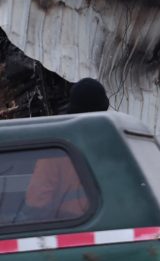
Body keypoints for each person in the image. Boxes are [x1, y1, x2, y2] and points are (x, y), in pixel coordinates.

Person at [23, 78, 109, 221]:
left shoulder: (58, 146)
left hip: (71, 229)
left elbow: (36, 201)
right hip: (112, 228)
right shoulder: (114, 143)